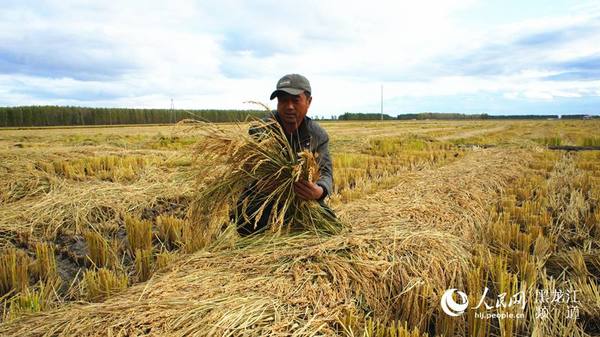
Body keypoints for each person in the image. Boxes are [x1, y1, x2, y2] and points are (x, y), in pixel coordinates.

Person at [236, 74, 334, 236]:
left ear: (308, 102)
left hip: (302, 200)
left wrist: (319, 191)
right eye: (283, 100)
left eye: (295, 100)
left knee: (330, 231)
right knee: (247, 228)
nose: (289, 106)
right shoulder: (261, 130)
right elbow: (246, 169)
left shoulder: (318, 136)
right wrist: (259, 183)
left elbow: (326, 172)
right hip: (263, 199)